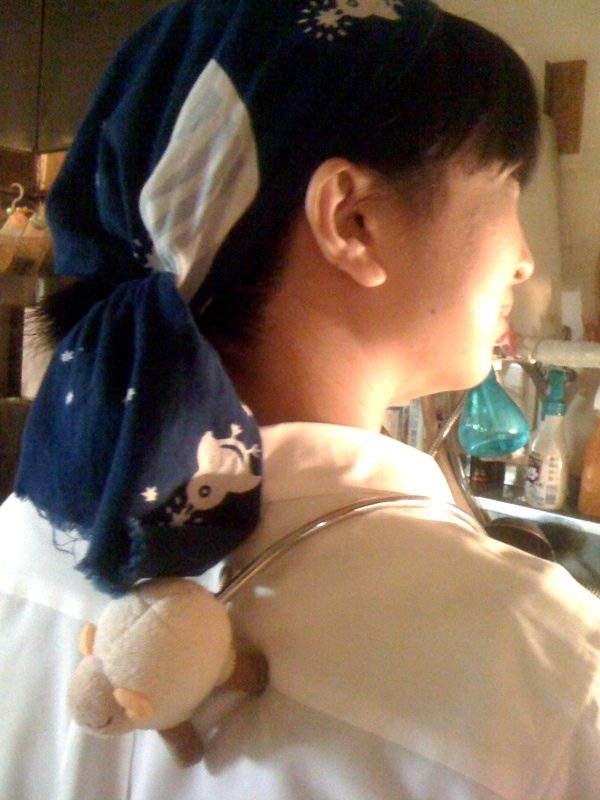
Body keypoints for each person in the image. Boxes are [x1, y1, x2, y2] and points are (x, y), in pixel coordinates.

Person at [1, 0, 599, 798]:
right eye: (508, 186)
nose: (524, 259)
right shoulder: (545, 676)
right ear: (352, 219)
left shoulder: (18, 542)